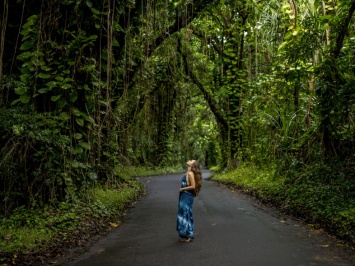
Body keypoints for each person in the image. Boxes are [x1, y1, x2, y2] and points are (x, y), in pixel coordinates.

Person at [176, 159, 202, 242]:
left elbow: (193, 186)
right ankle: (188, 234)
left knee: (185, 213)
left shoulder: (190, 173)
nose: (189, 160)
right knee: (186, 212)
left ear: (192, 165)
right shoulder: (189, 172)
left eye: (191, 160)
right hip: (185, 195)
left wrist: (182, 189)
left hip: (187, 195)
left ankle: (188, 235)